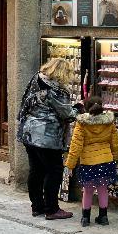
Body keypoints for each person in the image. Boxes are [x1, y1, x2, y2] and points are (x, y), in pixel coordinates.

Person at [17, 58, 79, 220]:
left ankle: (37, 206)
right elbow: (67, 114)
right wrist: (79, 108)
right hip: (47, 137)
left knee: (36, 170)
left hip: (28, 133)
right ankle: (52, 209)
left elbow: (25, 102)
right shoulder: (57, 90)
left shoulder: (37, 79)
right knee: (54, 171)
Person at [64, 95, 118, 227]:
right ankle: (103, 217)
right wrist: (115, 157)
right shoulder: (109, 122)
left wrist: (70, 164)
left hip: (88, 162)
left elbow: (76, 146)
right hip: (106, 160)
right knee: (103, 189)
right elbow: (115, 142)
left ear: (86, 108)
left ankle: (85, 218)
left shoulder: (82, 124)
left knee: (88, 190)